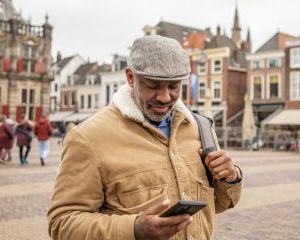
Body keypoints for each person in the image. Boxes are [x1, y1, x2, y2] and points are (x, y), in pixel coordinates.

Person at [48, 35, 243, 240]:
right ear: (131, 77)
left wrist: (231, 178)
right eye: (153, 85)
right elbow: (62, 223)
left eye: (173, 86)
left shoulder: (201, 128)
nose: (165, 97)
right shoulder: (88, 137)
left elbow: (217, 204)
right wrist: (134, 229)